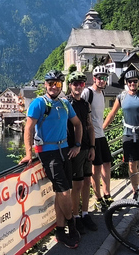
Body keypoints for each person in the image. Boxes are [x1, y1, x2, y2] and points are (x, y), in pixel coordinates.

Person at [20, 69, 83, 249]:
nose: (53, 86)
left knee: (62, 192)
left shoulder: (64, 104)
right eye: (50, 83)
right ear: (45, 84)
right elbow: (29, 129)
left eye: (57, 83)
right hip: (48, 152)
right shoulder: (39, 103)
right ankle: (72, 224)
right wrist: (28, 153)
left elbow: (78, 124)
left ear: (61, 85)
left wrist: (77, 145)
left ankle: (60, 231)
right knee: (64, 192)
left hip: (64, 149)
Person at [65, 71, 98, 234]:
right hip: (73, 149)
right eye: (75, 84)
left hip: (86, 148)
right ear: (70, 85)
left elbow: (90, 126)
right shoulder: (66, 103)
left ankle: (85, 213)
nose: (78, 86)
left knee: (87, 182)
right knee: (76, 185)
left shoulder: (85, 104)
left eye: (81, 84)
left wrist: (92, 147)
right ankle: (75, 216)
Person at [81, 66, 113, 212]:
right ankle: (98, 198)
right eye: (99, 78)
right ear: (94, 78)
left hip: (102, 135)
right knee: (96, 168)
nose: (102, 80)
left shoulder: (102, 93)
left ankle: (107, 195)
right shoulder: (88, 93)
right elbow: (81, 112)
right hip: (92, 137)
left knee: (107, 164)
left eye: (105, 78)